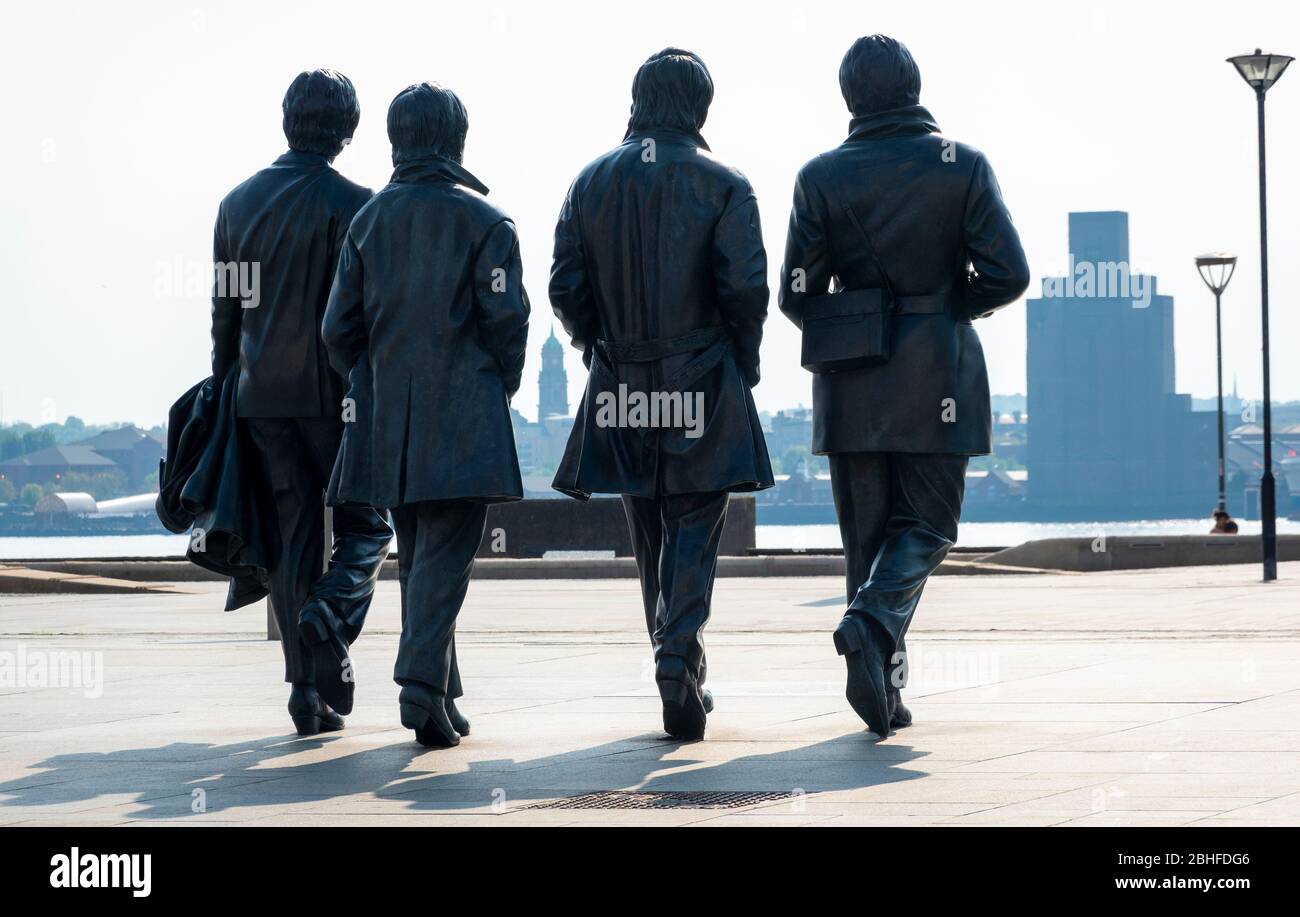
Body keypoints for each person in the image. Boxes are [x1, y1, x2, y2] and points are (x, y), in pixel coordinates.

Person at [778, 35, 1030, 738]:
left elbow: (796, 292)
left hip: (851, 384)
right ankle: (871, 637)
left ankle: (883, 687)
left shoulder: (819, 176)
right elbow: (1010, 272)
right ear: (914, 86)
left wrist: (859, 318)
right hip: (939, 372)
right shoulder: (963, 165)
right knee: (926, 525)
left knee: (868, 540)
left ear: (849, 97)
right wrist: (950, 304)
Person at [550, 49, 773, 740]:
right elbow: (746, 290)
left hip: (621, 381)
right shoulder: (726, 183)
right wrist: (745, 361)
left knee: (648, 532)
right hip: (702, 376)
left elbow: (566, 288)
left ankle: (679, 660)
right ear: (699, 108)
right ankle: (677, 655)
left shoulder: (588, 184)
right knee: (695, 527)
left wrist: (597, 347)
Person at [322, 82, 530, 747]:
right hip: (462, 419)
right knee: (445, 554)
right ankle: (419, 684)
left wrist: (372, 379)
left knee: (420, 554)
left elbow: (337, 330)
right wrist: (502, 384)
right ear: (455, 140)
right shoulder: (486, 224)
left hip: (387, 423)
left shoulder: (367, 223)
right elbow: (508, 321)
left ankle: (444, 692)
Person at [210, 69, 393, 736]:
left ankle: (304, 690)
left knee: (290, 540)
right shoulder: (359, 204)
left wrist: (224, 392)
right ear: (347, 128)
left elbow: (226, 317)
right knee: (366, 526)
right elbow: (368, 315)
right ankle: (329, 619)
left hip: (261, 397)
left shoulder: (236, 205)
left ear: (288, 120)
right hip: (339, 398)